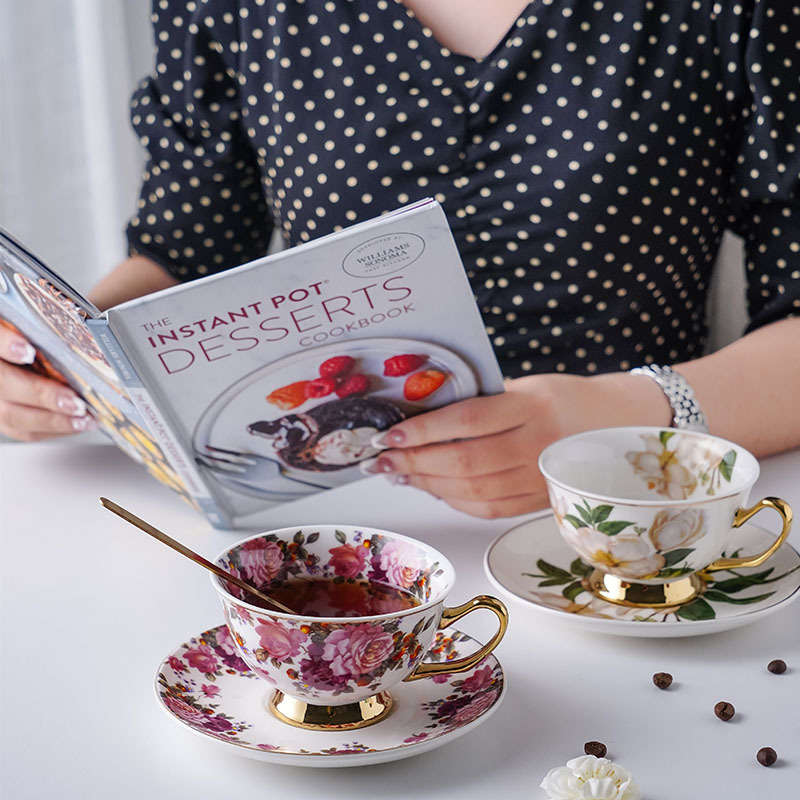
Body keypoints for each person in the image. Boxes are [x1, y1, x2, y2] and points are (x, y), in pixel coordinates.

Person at [1, 0, 798, 519]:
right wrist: (56, 358)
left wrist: (609, 420)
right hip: (327, 517)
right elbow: (183, 251)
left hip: (633, 505)